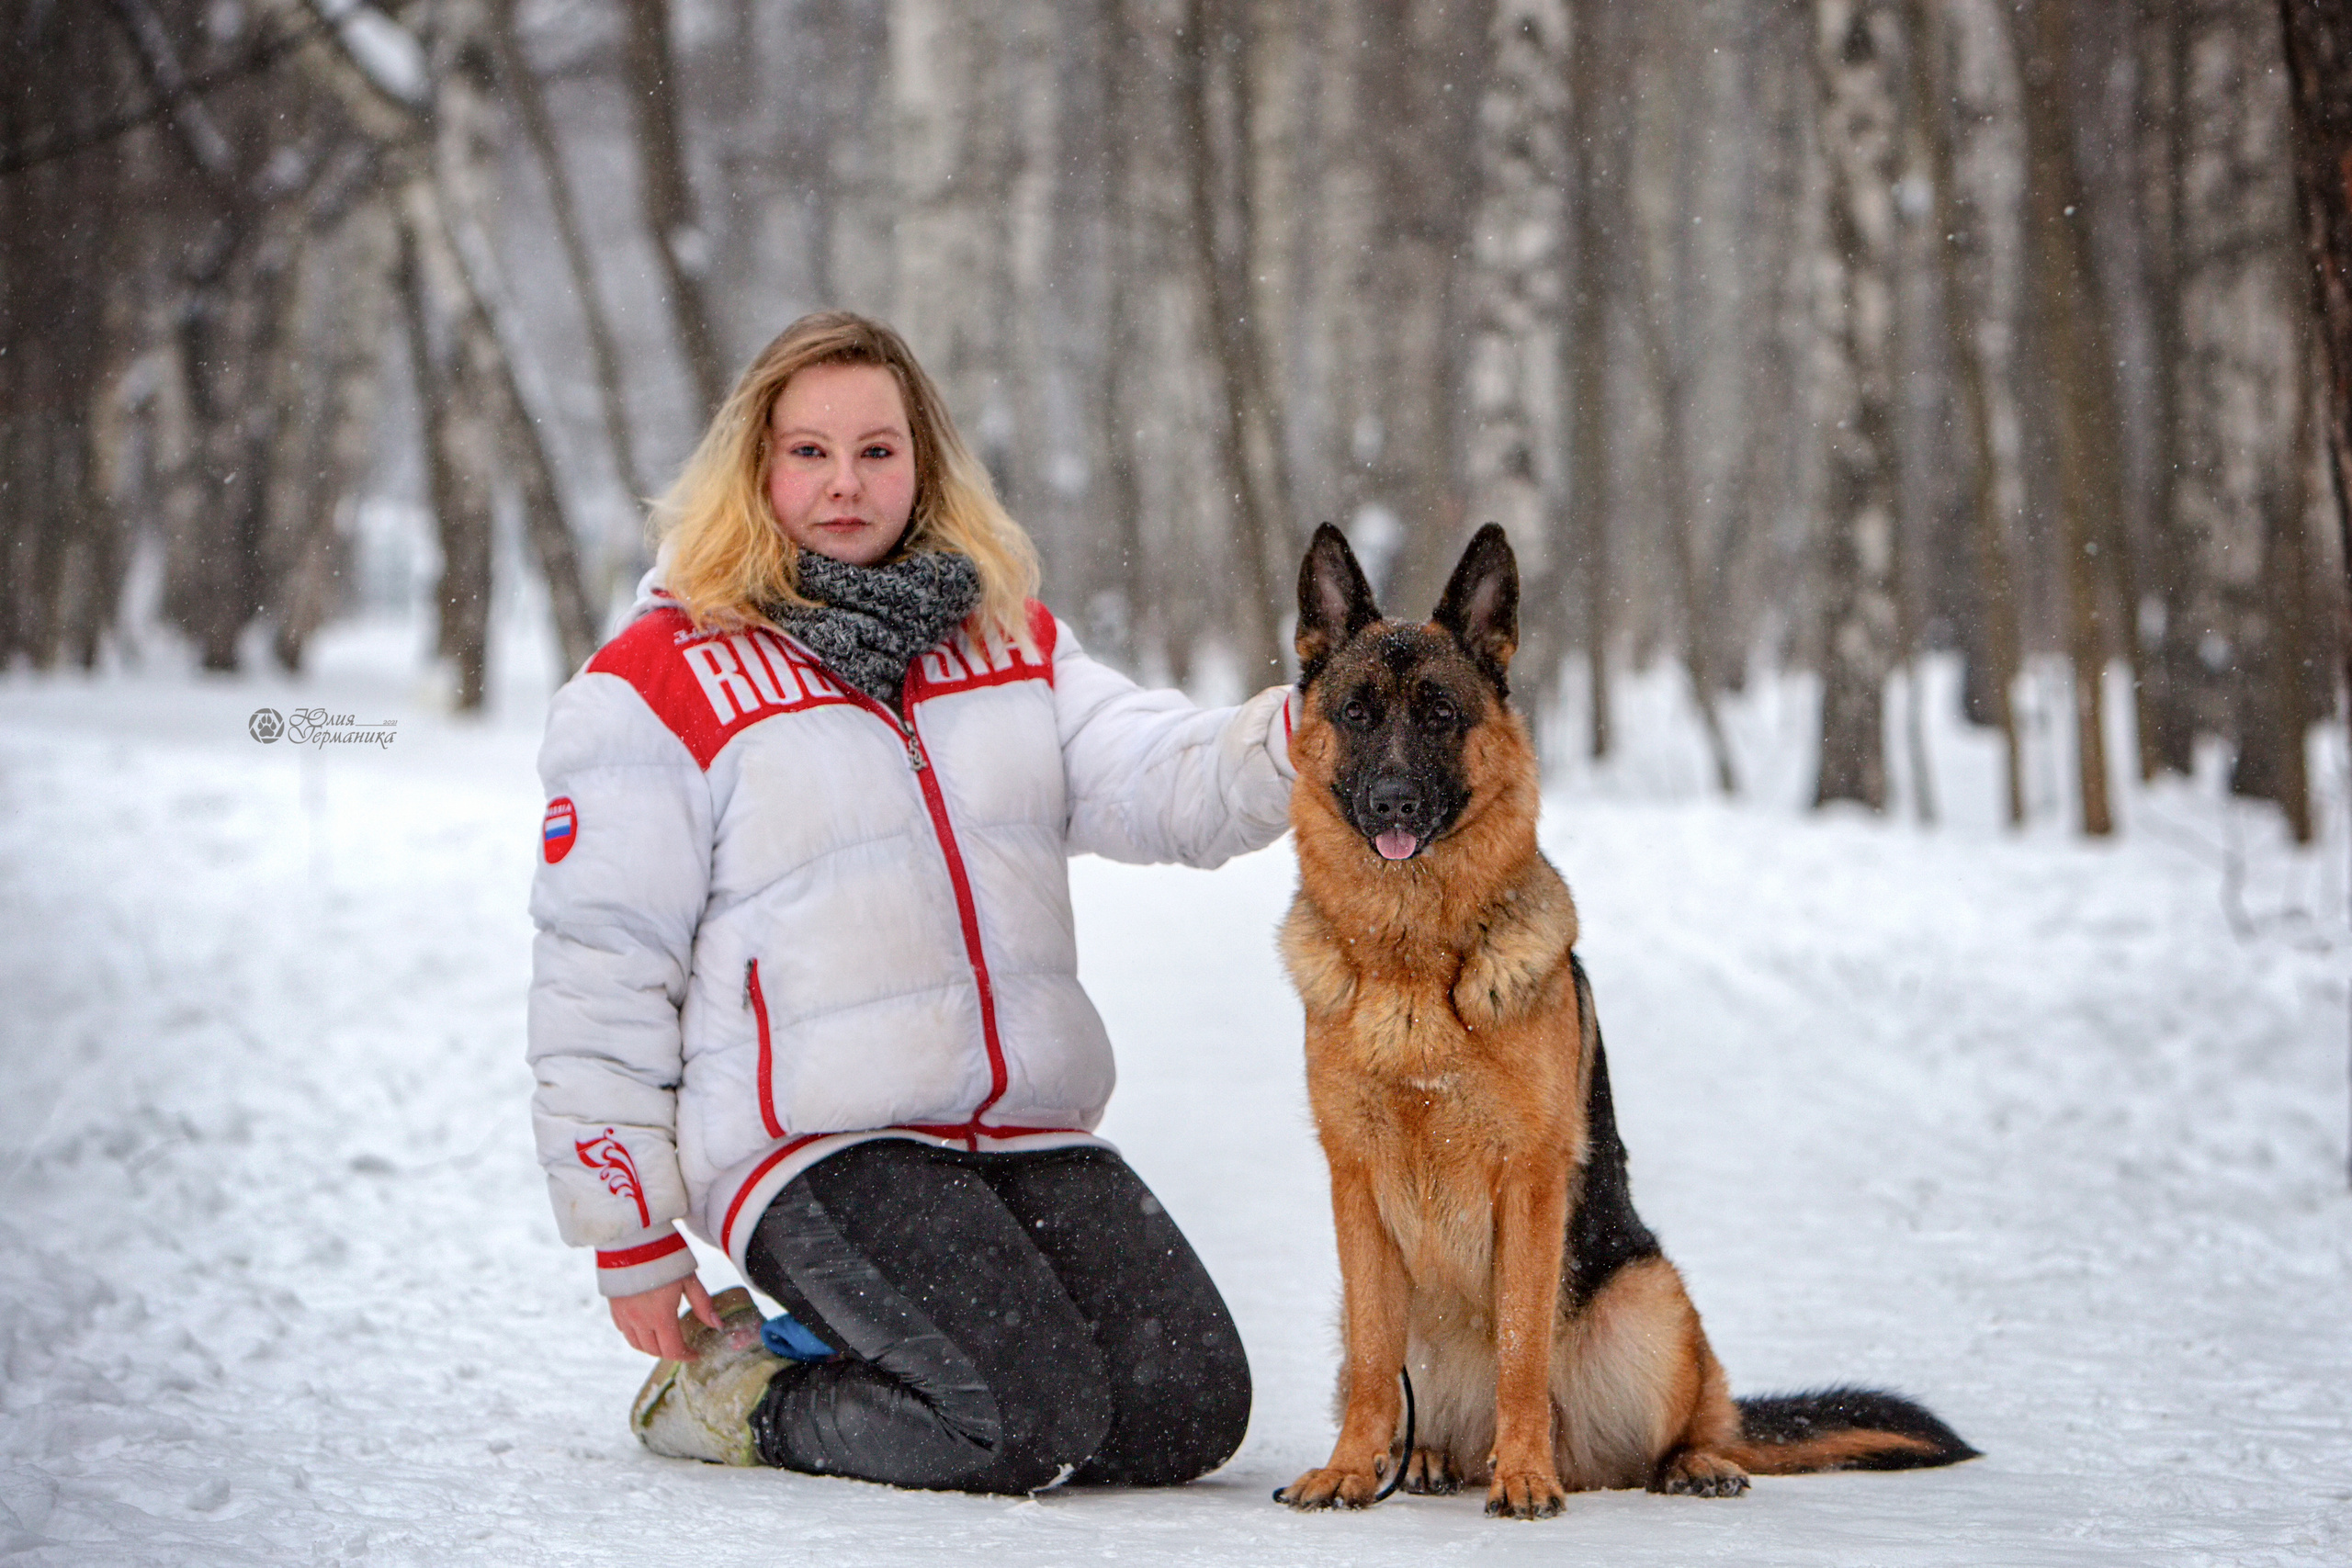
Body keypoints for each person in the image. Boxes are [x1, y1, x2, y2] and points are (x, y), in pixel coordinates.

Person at [526, 311, 1295, 1494]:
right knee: (1017, 1418)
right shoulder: (658, 680)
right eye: (809, 452)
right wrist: (627, 1234)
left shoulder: (1007, 641)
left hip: (1017, 1124)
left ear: (923, 463)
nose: (845, 483)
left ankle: (886, 1343)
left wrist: (1308, 737)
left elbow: (1158, 778)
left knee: (1184, 1407)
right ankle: (745, 1396)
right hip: (816, 1146)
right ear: (755, 465)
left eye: (878, 451)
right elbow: (603, 967)